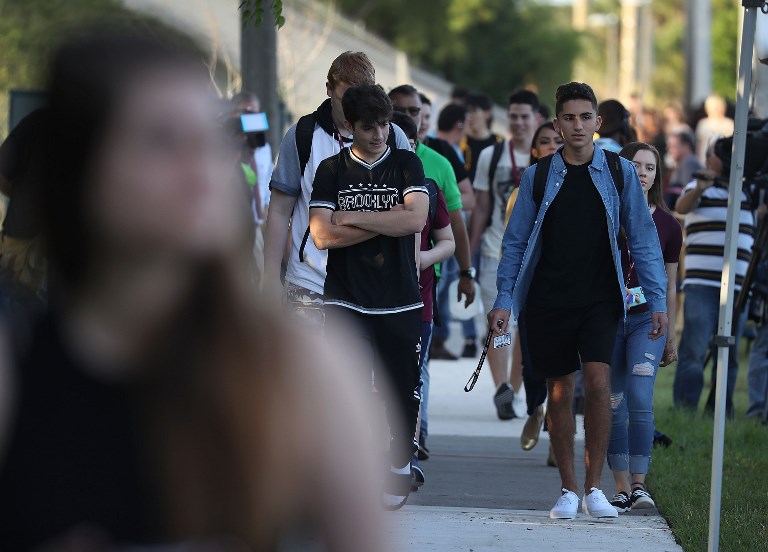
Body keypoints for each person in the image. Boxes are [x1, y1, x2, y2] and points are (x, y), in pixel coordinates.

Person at [0, 27, 384, 551]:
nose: (199, 168)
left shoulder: (305, 369)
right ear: (77, 167)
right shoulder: (16, 373)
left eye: (206, 138)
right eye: (161, 141)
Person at [488, 82, 668, 520]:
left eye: (585, 117)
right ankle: (568, 489)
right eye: (568, 118)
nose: (577, 125)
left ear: (598, 123)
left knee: (601, 384)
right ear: (556, 124)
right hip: (550, 299)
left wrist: (658, 298)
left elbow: (643, 238)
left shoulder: (619, 172)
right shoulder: (539, 176)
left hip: (602, 298)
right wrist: (504, 300)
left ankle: (595, 489)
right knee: (561, 389)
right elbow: (515, 243)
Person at [309, 84, 429, 511]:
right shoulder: (330, 170)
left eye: (384, 125)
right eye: (368, 127)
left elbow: (416, 219)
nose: (379, 134)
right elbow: (322, 235)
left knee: (401, 391)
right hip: (344, 298)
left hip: (399, 298)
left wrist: (354, 216)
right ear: (349, 126)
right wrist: (389, 218)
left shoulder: (406, 163)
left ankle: (398, 463)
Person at [264, 51, 411, 319]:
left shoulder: (394, 136)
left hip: (377, 285)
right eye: (347, 99)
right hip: (311, 283)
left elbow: (411, 214)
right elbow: (278, 211)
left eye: (363, 98)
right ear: (329, 89)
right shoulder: (303, 135)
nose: (355, 108)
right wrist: (270, 277)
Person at [607, 142, 682, 513]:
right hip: (606, 319)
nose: (642, 172)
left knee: (639, 395)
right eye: (635, 165)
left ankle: (639, 484)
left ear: (657, 175)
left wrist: (673, 331)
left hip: (647, 322)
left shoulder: (669, 225)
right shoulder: (605, 212)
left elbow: (670, 283)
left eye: (650, 168)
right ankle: (620, 487)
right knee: (613, 402)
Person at [388, 85, 477, 362]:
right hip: (373, 286)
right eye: (399, 110)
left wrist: (465, 272)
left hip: (423, 280)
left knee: (417, 371)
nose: (408, 116)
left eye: (414, 111)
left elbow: (454, 223)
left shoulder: (439, 164)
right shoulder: (363, 168)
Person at [390, 112, 455, 488]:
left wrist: (423, 259)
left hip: (420, 301)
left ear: (415, 146)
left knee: (413, 377)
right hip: (377, 299)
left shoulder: (430, 189)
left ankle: (409, 453)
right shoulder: (370, 188)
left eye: (408, 145)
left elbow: (448, 241)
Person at [471, 90, 539, 419]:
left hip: (534, 257)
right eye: (513, 115)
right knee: (499, 324)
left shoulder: (549, 158)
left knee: (526, 328)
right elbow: (482, 206)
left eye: (525, 116)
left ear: (537, 119)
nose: (519, 122)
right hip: (493, 250)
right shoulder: (492, 155)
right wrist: (467, 255)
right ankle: (501, 386)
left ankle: (513, 388)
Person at [673, 138, 753, 417]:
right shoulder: (698, 185)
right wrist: (702, 188)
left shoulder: (749, 192)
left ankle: (720, 411)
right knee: (694, 351)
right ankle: (684, 408)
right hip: (702, 285)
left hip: (738, 287)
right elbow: (681, 207)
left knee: (728, 355)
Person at [460, 92, 503, 182]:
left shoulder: (500, 143)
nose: (469, 115)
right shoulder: (460, 141)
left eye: (474, 111)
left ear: (487, 114)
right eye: (467, 111)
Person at [665, 130, 702, 211]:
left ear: (686, 146)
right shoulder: (684, 162)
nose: (669, 150)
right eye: (669, 146)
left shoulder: (689, 162)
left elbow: (689, 193)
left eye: (673, 146)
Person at [695, 95, 734, 163]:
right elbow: (699, 143)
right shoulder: (703, 123)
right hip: (704, 159)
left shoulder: (729, 124)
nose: (716, 110)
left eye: (717, 107)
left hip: (723, 159)